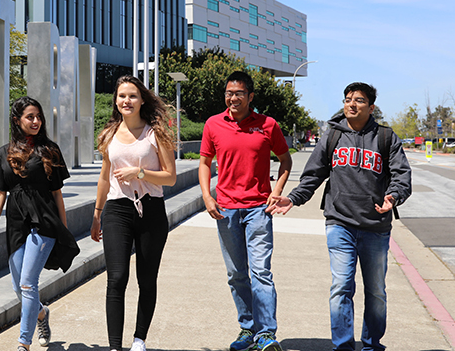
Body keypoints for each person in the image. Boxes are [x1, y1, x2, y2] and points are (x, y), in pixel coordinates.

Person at [267, 82, 412, 351]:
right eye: (347, 100)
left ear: (371, 107)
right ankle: (343, 346)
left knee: (376, 291)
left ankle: (371, 345)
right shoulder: (332, 136)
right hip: (339, 223)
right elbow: (313, 175)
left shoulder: (386, 137)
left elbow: (402, 176)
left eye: (358, 100)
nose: (351, 104)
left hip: (376, 227)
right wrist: (293, 198)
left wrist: (393, 196)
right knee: (341, 286)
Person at [198, 71, 292, 351]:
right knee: (237, 274)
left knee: (261, 271)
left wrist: (276, 191)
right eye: (229, 93)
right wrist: (207, 196)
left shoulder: (267, 125)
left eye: (239, 93)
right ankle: (247, 329)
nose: (233, 98)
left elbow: (285, 160)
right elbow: (205, 162)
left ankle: (266, 333)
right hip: (226, 209)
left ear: (250, 97)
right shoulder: (213, 124)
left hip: (259, 209)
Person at [0, 96, 79, 351]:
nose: (36, 121)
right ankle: (41, 314)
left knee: (28, 283)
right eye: (30, 117)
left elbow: (57, 193)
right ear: (17, 120)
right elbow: (0, 193)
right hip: (16, 223)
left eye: (38, 117)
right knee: (19, 286)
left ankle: (23, 344)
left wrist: (64, 228)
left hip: (45, 221)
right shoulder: (3, 153)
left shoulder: (50, 150)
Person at [90, 76, 177, 351]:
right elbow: (104, 177)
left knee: (146, 278)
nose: (126, 101)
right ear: (115, 100)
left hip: (150, 209)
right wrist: (96, 213)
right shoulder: (109, 134)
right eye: (121, 96)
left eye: (132, 96)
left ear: (142, 100)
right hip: (117, 208)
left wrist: (139, 172)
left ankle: (139, 340)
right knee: (116, 278)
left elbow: (171, 177)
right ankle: (115, 346)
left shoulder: (156, 133)